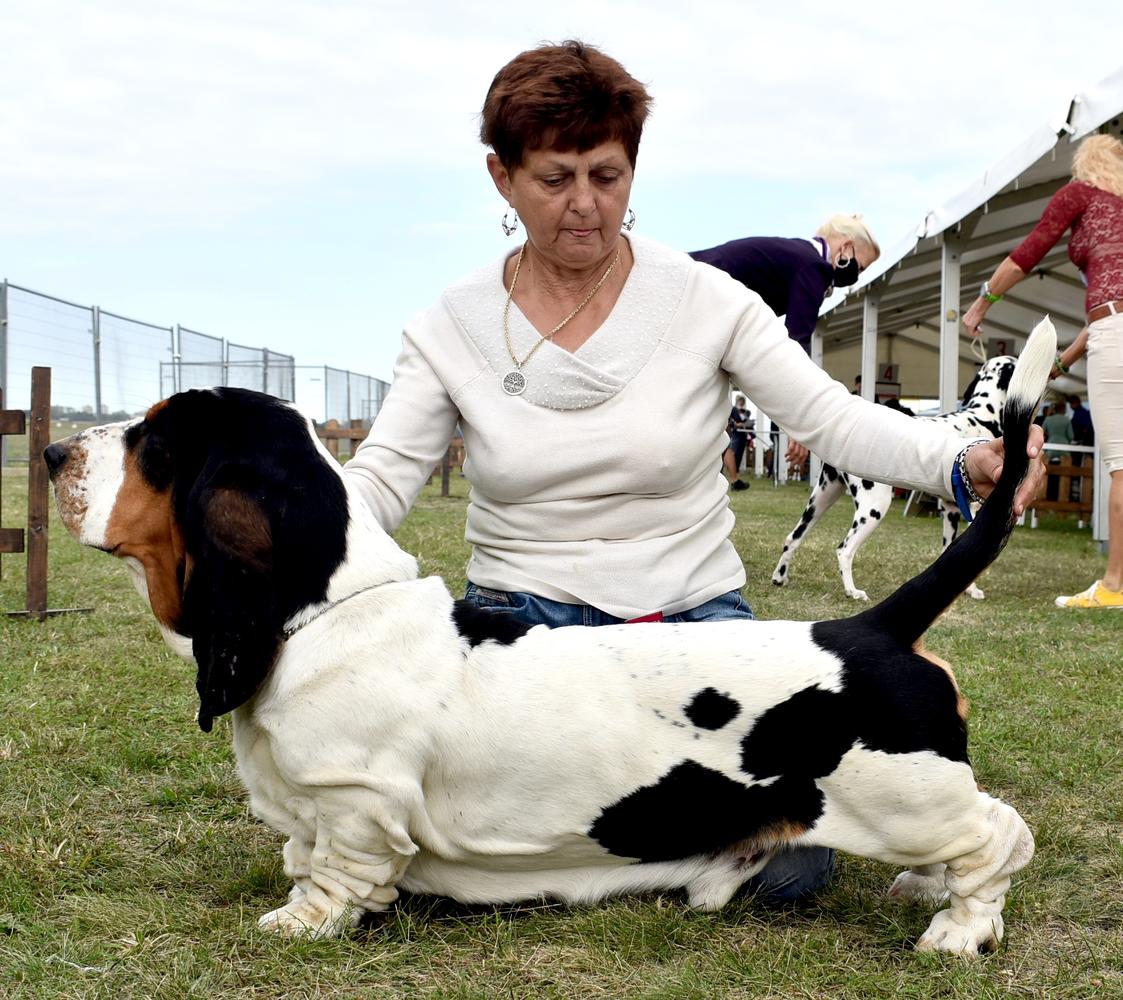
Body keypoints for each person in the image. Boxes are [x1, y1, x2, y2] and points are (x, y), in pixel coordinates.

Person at [345, 40, 1045, 905]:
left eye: (606, 176)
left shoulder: (706, 299)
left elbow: (829, 417)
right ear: (501, 177)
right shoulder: (448, 326)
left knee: (785, 869)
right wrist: (286, 520)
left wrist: (958, 462)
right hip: (520, 635)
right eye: (553, 179)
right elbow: (376, 484)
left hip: (689, 622)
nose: (583, 207)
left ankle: (564, 851)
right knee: (439, 854)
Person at [962, 132, 1123, 610]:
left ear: (1084, 165)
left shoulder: (1080, 195)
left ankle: (1115, 587)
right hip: (1109, 329)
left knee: (1122, 467)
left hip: (1113, 331)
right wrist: (1064, 361)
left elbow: (1030, 252)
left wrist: (981, 304)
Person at [724, 394, 752, 490]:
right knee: (729, 451)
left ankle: (734, 480)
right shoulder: (733, 409)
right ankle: (734, 480)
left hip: (736, 434)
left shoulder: (746, 412)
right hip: (733, 433)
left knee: (729, 451)